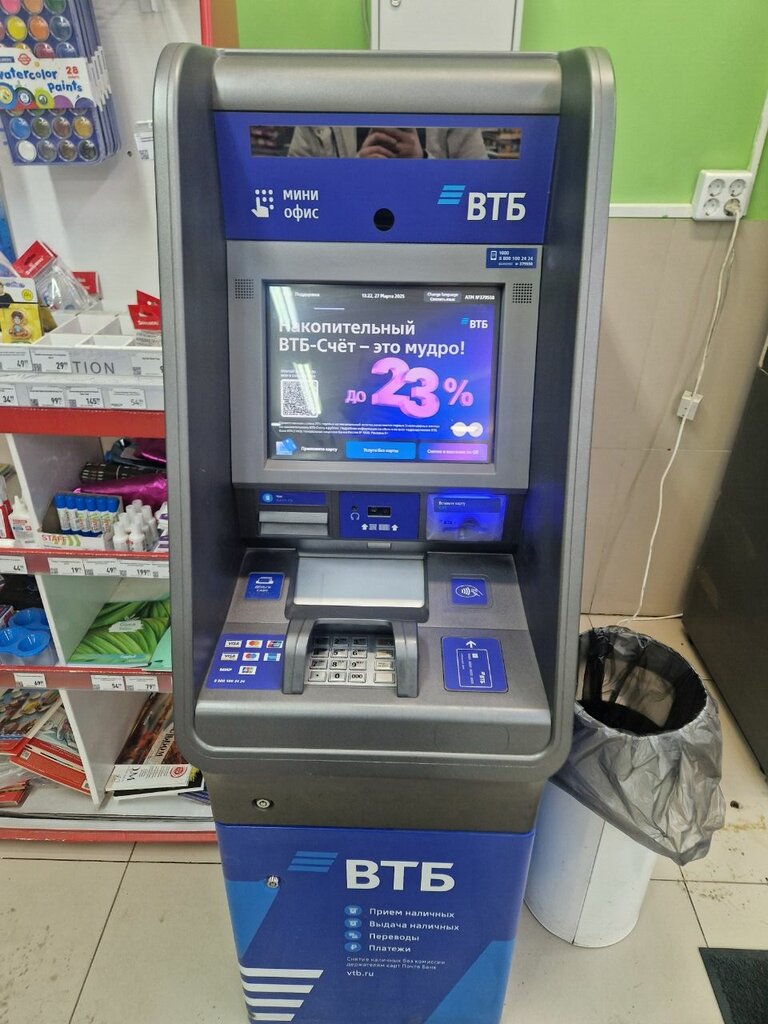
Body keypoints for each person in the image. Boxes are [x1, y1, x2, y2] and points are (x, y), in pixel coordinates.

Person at [288, 125, 487, 160]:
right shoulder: (319, 98)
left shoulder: (458, 101)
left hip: (435, 243)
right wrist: (354, 173)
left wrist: (423, 165)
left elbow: (478, 194)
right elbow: (295, 193)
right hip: (342, 242)